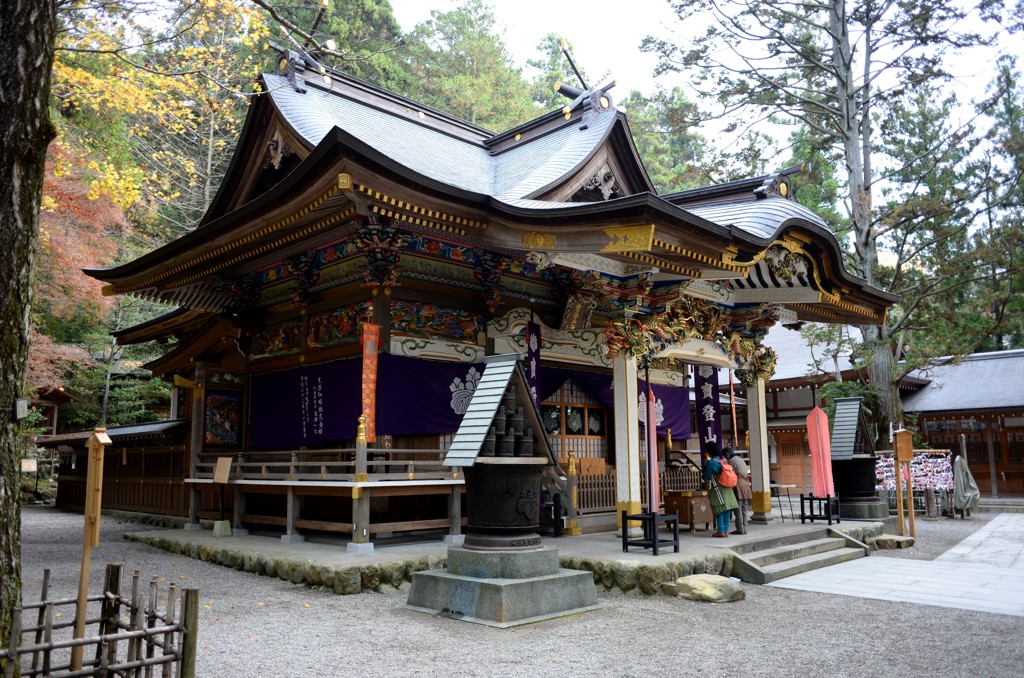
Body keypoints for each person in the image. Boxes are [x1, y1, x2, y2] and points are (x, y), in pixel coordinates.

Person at [702, 443, 739, 537]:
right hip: (728, 487)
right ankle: (726, 530)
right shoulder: (722, 461)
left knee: (719, 509)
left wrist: (705, 467)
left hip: (719, 488)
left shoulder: (711, 462)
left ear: (709, 452)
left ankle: (720, 531)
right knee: (727, 509)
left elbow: (707, 476)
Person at [726, 447, 752, 535]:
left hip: (739, 485)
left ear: (727, 454)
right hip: (746, 485)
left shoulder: (731, 461)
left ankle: (740, 529)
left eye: (725, 456)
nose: (726, 458)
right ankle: (744, 528)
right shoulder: (741, 460)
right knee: (745, 508)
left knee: (738, 509)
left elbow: (729, 474)